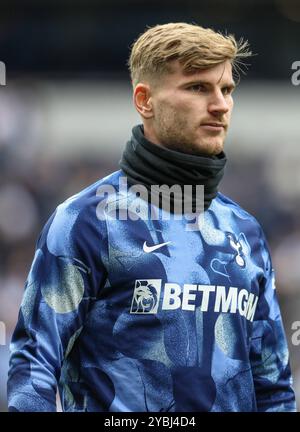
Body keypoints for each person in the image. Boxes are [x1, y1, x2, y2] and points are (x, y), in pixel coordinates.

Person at [7, 22, 296, 412]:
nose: (220, 104)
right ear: (145, 101)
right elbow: (33, 367)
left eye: (226, 90)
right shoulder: (86, 222)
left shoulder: (244, 230)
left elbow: (274, 387)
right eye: (198, 88)